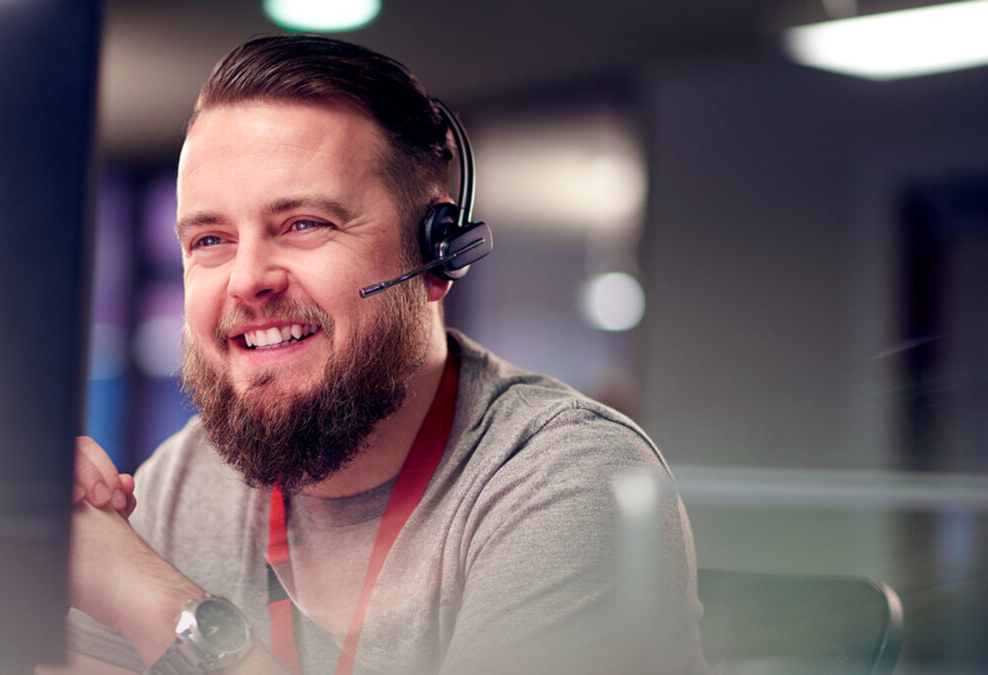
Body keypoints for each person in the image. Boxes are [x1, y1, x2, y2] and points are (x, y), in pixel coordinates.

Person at [55, 35, 706, 675]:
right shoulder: (185, 481)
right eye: (210, 238)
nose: (247, 278)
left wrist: (161, 604)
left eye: (305, 223)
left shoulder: (567, 481)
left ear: (435, 253)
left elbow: (145, 603)